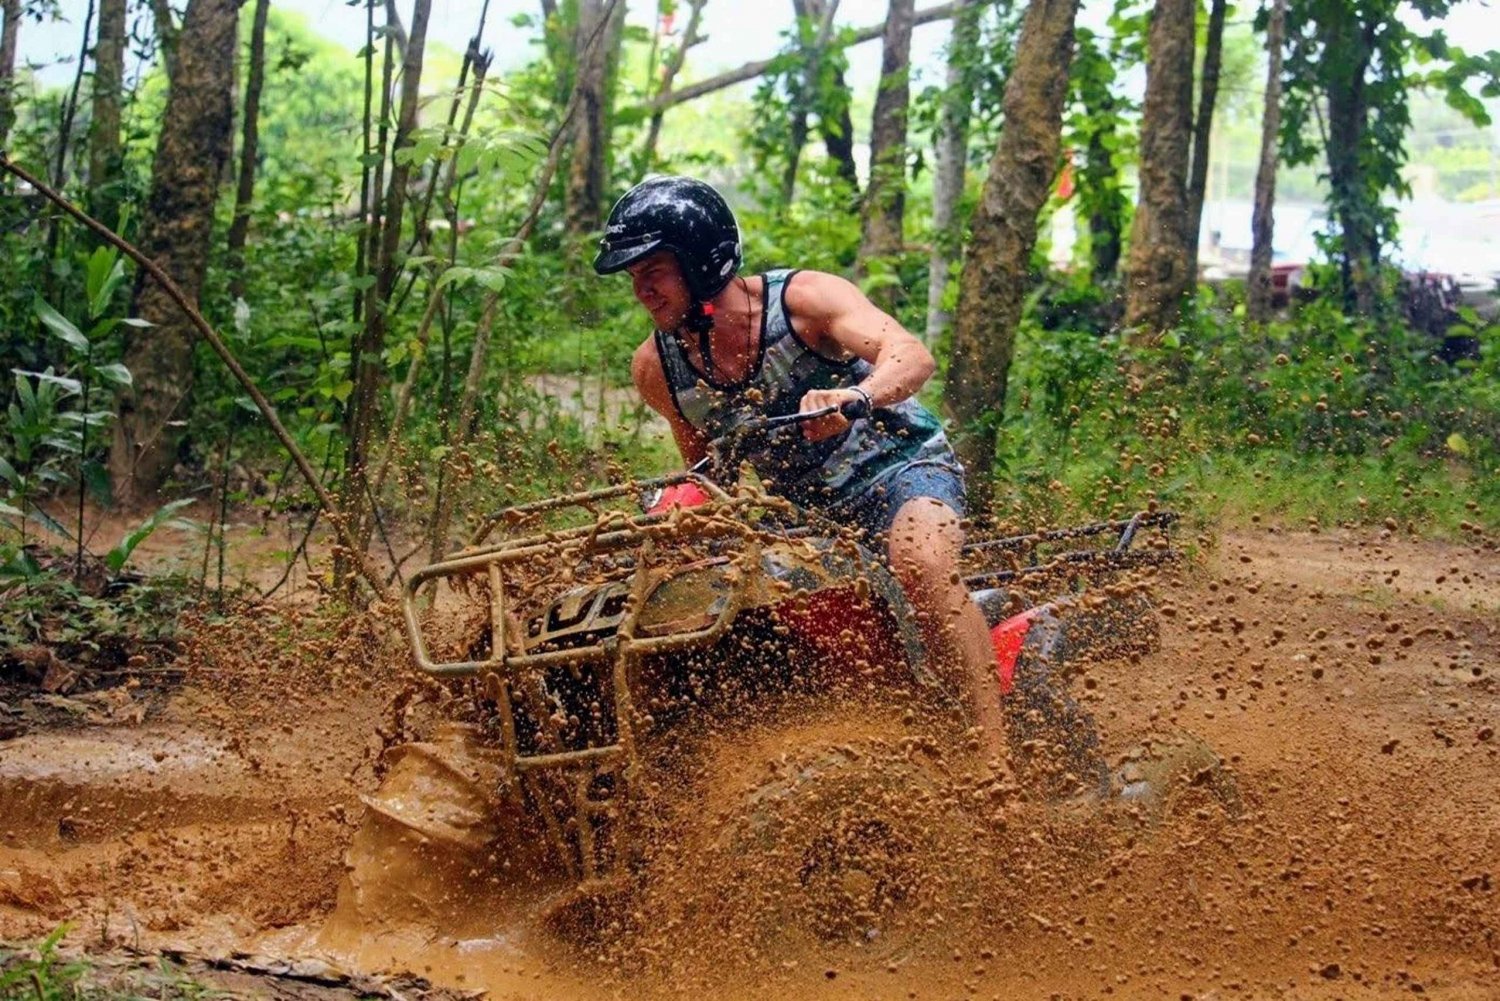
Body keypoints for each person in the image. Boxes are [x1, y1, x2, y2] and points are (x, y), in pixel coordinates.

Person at [593, 175, 1003, 760]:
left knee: (920, 560)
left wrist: (856, 397)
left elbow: (911, 355)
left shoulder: (804, 302)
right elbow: (709, 473)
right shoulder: (655, 368)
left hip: (904, 474)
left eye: (652, 272)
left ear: (700, 262)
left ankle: (994, 762)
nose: (642, 292)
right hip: (806, 519)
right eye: (634, 278)